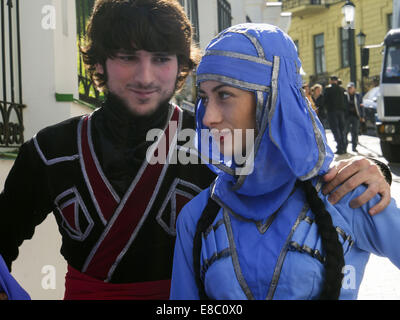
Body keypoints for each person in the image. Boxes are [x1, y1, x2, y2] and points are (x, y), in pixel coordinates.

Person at [0, 1, 391, 300]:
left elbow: (290, 168)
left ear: (181, 64)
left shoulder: (214, 137)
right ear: (99, 61)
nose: (145, 76)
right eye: (126, 57)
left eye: (160, 58)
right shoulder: (50, 151)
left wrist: (368, 171)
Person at [170, 23, 400, 300]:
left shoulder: (346, 195)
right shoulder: (196, 217)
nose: (208, 118)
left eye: (224, 95)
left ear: (273, 100)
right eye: (205, 98)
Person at [324, 76, 348, 154]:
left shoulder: (328, 89)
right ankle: (344, 147)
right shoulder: (342, 89)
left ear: (331, 81)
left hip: (332, 112)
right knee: (342, 130)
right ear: (337, 81)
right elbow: (346, 101)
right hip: (341, 112)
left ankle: (340, 147)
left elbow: (325, 100)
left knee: (335, 130)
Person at [345, 82, 365, 152]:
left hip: (355, 116)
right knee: (345, 132)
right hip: (347, 117)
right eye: (348, 88)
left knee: (355, 132)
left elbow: (361, 106)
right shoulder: (345, 95)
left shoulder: (358, 96)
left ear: (354, 89)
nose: (350, 89)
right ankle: (345, 147)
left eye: (351, 88)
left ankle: (354, 147)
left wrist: (362, 116)